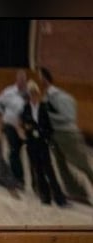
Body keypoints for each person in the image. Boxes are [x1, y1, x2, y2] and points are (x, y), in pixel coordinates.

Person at [38, 66, 93, 205]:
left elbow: (68, 117)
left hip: (67, 134)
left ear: (45, 78)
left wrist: (46, 115)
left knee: (82, 165)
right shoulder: (46, 96)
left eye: (40, 77)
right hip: (55, 135)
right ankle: (77, 192)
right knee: (60, 164)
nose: (39, 81)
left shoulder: (61, 96)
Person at [19, 80, 68, 207]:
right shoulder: (25, 108)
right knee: (38, 171)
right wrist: (26, 128)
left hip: (42, 142)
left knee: (49, 170)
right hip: (31, 143)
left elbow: (50, 128)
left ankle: (60, 199)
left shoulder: (44, 108)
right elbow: (23, 124)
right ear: (28, 95)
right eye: (31, 93)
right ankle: (45, 197)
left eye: (35, 93)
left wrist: (43, 134)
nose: (33, 95)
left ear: (38, 93)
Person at [0, 69, 30, 189]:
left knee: (29, 153)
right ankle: (18, 179)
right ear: (16, 79)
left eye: (24, 79)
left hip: (26, 127)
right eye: (20, 78)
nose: (22, 81)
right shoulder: (9, 91)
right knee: (14, 152)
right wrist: (2, 116)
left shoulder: (30, 92)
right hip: (10, 126)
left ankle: (35, 183)